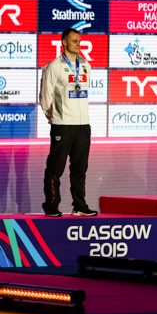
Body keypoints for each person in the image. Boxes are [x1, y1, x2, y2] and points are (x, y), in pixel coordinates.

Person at [39, 28, 98, 217]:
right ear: (64, 42)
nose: (78, 45)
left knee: (80, 168)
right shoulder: (54, 67)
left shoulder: (86, 65)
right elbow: (45, 97)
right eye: (74, 41)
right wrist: (54, 117)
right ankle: (51, 205)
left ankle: (79, 205)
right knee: (56, 168)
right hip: (62, 125)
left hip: (83, 126)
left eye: (79, 41)